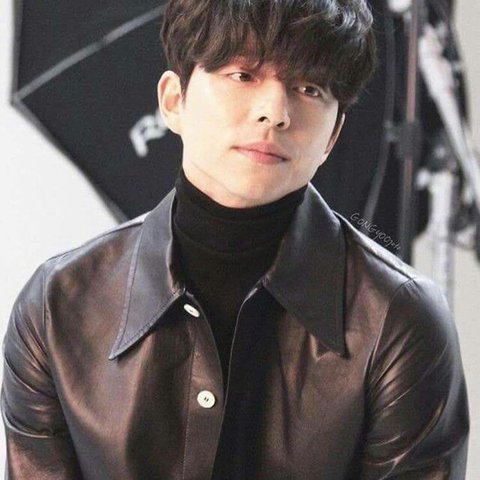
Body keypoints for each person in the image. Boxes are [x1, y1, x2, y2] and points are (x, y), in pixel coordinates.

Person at [2, 0, 469, 478]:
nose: (275, 112)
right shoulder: (57, 308)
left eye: (309, 88)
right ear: (174, 100)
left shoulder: (399, 319)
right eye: (243, 75)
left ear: (333, 135)